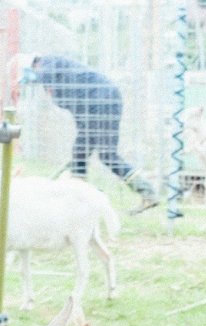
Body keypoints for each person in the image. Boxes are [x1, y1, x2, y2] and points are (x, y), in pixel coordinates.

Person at [24, 54, 159, 212]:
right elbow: (79, 116)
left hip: (102, 100)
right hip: (103, 103)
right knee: (98, 154)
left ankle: (79, 198)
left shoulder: (49, 62)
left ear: (34, 65)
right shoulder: (62, 87)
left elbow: (47, 72)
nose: (45, 89)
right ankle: (146, 192)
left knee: (88, 154)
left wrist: (34, 76)